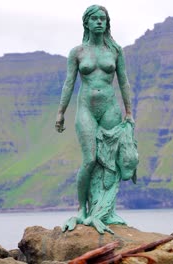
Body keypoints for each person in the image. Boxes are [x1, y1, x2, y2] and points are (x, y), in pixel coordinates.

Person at [55, 5, 135, 234]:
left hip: (110, 108)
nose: (100, 22)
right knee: (90, 159)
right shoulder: (78, 52)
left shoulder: (115, 51)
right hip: (86, 109)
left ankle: (106, 211)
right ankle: (82, 209)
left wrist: (129, 111)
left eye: (103, 19)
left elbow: (124, 82)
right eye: (95, 19)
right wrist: (61, 112)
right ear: (87, 23)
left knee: (110, 162)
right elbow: (69, 83)